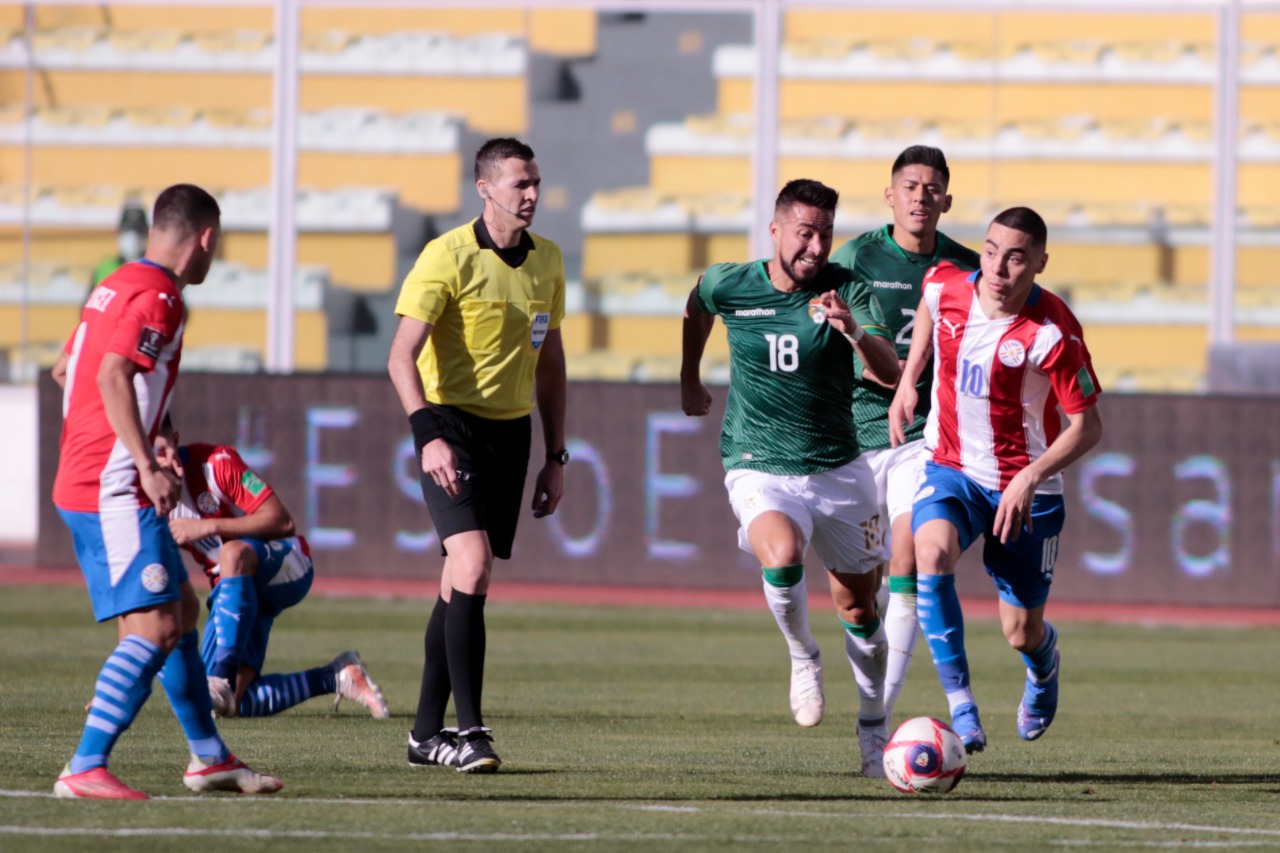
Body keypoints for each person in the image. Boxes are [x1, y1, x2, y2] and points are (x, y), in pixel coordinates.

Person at [50, 183, 282, 799]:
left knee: (182, 613)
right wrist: (143, 461)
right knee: (153, 629)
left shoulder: (116, 285)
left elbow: (66, 367)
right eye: (218, 243)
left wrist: (146, 434)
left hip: (91, 478)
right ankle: (84, 765)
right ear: (205, 238)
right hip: (112, 490)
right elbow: (108, 373)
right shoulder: (161, 298)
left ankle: (209, 758)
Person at [681, 178, 902, 777]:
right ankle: (804, 655)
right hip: (758, 462)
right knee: (779, 555)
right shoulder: (734, 282)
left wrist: (852, 330)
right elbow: (697, 301)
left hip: (839, 468)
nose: (814, 245)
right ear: (775, 230)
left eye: (825, 234)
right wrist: (688, 376)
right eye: (804, 231)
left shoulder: (848, 289)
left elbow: (890, 374)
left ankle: (874, 727)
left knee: (861, 612)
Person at [888, 207, 1103, 754]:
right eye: (990, 251)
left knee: (1019, 631)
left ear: (1039, 263)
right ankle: (961, 703)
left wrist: (1031, 474)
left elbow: (1088, 426)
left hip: (1024, 489)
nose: (999, 269)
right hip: (952, 467)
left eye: (1016, 258)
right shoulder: (944, 284)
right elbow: (929, 313)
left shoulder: (1053, 331)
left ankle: (1044, 663)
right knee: (928, 552)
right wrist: (909, 381)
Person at [387, 137, 567, 775]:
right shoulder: (447, 256)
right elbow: (399, 355)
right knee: (474, 563)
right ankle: (471, 732)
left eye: (536, 181)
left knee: (457, 583)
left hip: (511, 434)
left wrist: (557, 454)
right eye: (520, 183)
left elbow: (550, 361)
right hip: (451, 428)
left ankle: (422, 735)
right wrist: (427, 434)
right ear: (485, 188)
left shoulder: (548, 262)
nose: (532, 195)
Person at [828, 146, 980, 725]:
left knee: (910, 557)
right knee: (859, 594)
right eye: (910, 186)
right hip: (852, 435)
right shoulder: (857, 258)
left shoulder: (966, 268)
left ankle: (878, 716)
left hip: (924, 435)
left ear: (946, 199)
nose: (921, 196)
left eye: (932, 187)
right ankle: (872, 658)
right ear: (890, 195)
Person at [152, 415, 389, 721]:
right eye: (155, 453)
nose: (168, 458)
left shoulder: (216, 462)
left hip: (287, 564)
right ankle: (336, 676)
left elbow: (283, 521)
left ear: (176, 438)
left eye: (167, 447)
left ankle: (220, 677)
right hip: (235, 595)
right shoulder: (140, 500)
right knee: (234, 704)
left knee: (233, 553)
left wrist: (207, 527)